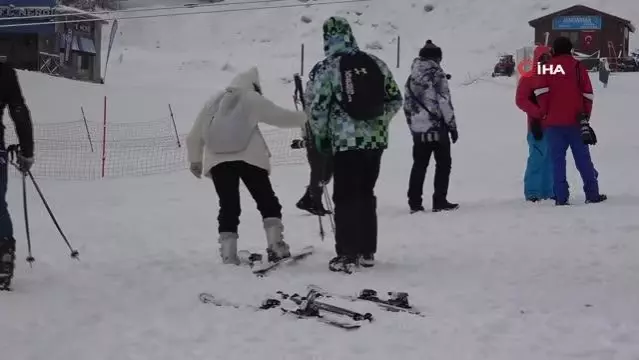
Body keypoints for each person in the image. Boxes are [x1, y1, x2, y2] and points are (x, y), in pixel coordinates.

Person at [306, 16, 402, 272]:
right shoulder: (375, 62)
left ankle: (347, 253)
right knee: (365, 194)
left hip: (346, 143)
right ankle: (367, 250)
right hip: (375, 144)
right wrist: (379, 124)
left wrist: (321, 136)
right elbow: (395, 98)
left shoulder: (328, 67)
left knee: (345, 196)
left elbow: (318, 109)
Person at [186, 67, 307, 264]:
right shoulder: (251, 98)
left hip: (218, 161)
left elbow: (194, 135)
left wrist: (195, 160)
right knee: (266, 200)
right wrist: (305, 117)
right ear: (254, 85)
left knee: (228, 205)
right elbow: (280, 117)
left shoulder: (213, 102)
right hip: (250, 158)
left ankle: (228, 254)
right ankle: (276, 245)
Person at [534, 36, 606, 205]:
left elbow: (541, 93)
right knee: (583, 160)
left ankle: (560, 197)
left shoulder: (548, 68)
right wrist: (585, 118)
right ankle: (592, 194)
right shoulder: (577, 67)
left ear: (554, 50)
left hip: (553, 124)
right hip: (576, 122)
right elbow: (587, 94)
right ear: (570, 50)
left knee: (557, 162)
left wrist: (544, 114)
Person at [404, 40, 459, 213]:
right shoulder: (437, 73)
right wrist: (452, 126)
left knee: (419, 164)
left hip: (419, 130)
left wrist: (413, 125)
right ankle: (439, 200)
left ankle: (414, 202)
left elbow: (407, 105)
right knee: (443, 163)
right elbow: (444, 101)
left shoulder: (412, 77)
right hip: (436, 128)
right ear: (437, 57)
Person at [0, 60, 34, 290]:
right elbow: (18, 111)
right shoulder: (4, 73)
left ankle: (3, 255)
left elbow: (18, 111)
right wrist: (27, 151)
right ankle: (4, 255)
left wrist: (27, 149)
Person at [515, 45, 554, 202]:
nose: (546, 62)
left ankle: (548, 191)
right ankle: (532, 192)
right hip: (536, 126)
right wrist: (537, 112)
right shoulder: (529, 78)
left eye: (549, 58)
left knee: (551, 159)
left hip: (553, 126)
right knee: (537, 158)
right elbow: (520, 100)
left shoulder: (555, 77)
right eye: (543, 58)